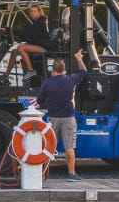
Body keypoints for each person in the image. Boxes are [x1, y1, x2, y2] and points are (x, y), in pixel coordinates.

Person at [36, 49, 87, 180]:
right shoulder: (71, 79)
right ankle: (71, 173)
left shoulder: (47, 83)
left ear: (53, 71)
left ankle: (41, 174)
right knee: (69, 147)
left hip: (52, 118)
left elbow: (39, 100)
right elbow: (84, 72)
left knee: (48, 146)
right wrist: (79, 58)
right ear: (64, 70)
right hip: (68, 118)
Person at [4, 4, 53, 82]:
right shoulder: (37, 22)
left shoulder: (41, 21)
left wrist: (12, 31)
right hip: (38, 46)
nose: (32, 13)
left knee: (21, 48)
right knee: (14, 52)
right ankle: (6, 76)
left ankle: (31, 71)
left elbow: (27, 31)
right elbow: (32, 35)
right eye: (31, 11)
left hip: (44, 48)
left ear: (39, 12)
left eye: (34, 11)